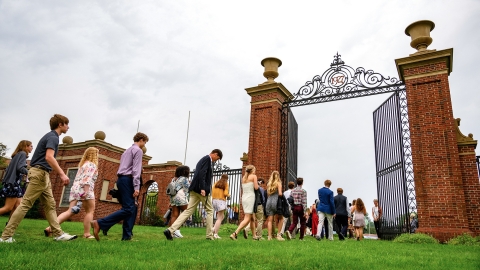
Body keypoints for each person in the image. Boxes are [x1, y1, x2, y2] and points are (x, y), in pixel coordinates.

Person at [1, 114, 77, 242]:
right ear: (60, 124)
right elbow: (49, 157)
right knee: (25, 204)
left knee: (50, 205)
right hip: (40, 173)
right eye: (66, 124)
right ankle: (6, 236)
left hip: (43, 174)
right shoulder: (53, 137)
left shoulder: (50, 136)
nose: (68, 127)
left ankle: (58, 234)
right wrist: (62, 173)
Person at [91, 132, 149, 241]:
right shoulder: (138, 151)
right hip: (128, 180)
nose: (144, 145)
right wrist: (137, 187)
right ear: (141, 140)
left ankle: (126, 236)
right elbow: (136, 171)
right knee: (129, 208)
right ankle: (99, 223)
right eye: (144, 142)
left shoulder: (126, 151)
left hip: (121, 179)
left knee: (130, 208)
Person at [163, 149, 222, 241]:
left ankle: (170, 230)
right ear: (215, 154)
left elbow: (199, 173)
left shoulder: (202, 159)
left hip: (194, 189)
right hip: (201, 190)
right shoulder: (207, 159)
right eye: (217, 158)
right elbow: (202, 173)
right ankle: (209, 236)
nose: (216, 160)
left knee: (188, 211)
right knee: (210, 210)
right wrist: (203, 188)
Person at [44, 147, 99, 238]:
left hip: (75, 188)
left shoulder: (83, 165)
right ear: (94, 155)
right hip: (85, 188)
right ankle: (87, 234)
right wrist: (86, 191)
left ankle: (50, 228)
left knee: (70, 210)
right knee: (90, 211)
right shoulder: (92, 165)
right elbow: (87, 178)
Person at [0, 140, 33, 221]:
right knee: (8, 208)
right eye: (31, 146)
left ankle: (9, 228)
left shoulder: (17, 155)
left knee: (18, 206)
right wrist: (30, 173)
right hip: (13, 184)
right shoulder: (22, 154)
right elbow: (20, 168)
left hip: (14, 183)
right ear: (26, 146)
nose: (32, 148)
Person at [230, 165, 259, 240]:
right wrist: (258, 184)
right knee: (247, 218)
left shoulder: (244, 178)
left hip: (244, 197)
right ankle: (235, 233)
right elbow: (256, 188)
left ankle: (254, 236)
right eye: (254, 170)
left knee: (252, 218)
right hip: (250, 197)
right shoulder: (254, 176)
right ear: (252, 170)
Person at [168, 165, 191, 238]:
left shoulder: (174, 179)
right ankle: (176, 231)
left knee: (174, 214)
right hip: (180, 196)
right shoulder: (184, 178)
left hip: (173, 196)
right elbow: (188, 189)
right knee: (187, 212)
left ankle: (171, 231)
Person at [265, 171, 285, 241]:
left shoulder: (269, 184)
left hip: (269, 202)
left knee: (270, 220)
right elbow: (280, 193)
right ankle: (278, 235)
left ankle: (269, 236)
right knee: (281, 218)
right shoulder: (278, 183)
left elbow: (268, 194)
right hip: (276, 202)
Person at [212, 174, 229, 239]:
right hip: (221, 201)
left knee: (221, 216)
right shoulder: (225, 184)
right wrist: (228, 195)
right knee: (220, 218)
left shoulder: (216, 183)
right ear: (227, 179)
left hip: (214, 200)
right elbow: (225, 193)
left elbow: (212, 192)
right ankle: (215, 233)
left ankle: (213, 229)